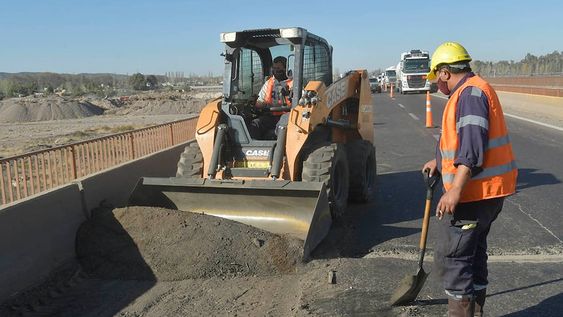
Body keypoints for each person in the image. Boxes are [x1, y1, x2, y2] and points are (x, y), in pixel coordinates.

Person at [422, 42, 518, 317]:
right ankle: (475, 312)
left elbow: (471, 149)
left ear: (444, 72)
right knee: (474, 255)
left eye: (436, 79)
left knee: (455, 259)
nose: (437, 86)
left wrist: (454, 192)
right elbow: (460, 143)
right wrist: (439, 163)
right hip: (488, 194)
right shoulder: (473, 89)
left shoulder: (470, 94)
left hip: (473, 195)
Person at [249, 56, 293, 139]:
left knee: (281, 126)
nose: (276, 70)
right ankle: (255, 148)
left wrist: (289, 94)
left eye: (279, 68)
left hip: (288, 116)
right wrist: (254, 102)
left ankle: (280, 149)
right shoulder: (269, 83)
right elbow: (261, 102)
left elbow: (300, 104)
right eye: (274, 68)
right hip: (271, 116)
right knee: (255, 124)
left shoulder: (294, 83)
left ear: (286, 68)